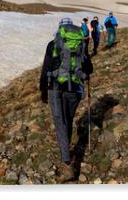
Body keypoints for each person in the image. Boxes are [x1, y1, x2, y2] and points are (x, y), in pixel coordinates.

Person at [39, 18, 93, 183]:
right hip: (75, 89)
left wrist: (43, 90)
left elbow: (46, 68)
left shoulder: (53, 44)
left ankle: (67, 163)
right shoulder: (80, 44)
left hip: (56, 88)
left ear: (60, 29)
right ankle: (67, 149)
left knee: (60, 122)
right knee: (68, 120)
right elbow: (89, 68)